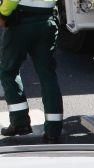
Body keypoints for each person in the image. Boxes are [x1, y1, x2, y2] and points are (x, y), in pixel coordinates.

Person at [0, 0, 63, 142]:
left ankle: (20, 123)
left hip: (21, 22)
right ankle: (53, 131)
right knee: (48, 76)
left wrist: (2, 14)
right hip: (47, 20)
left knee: (8, 72)